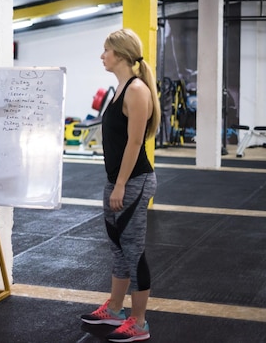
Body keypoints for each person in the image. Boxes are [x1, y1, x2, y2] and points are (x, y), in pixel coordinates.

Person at [80, 28, 160, 342]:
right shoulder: (119, 88)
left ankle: (139, 323)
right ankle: (115, 310)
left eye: (106, 51)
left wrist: (121, 185)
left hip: (134, 180)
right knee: (118, 250)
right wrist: (115, 182)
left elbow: (136, 142)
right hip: (117, 180)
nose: (102, 56)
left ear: (122, 55)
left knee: (134, 252)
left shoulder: (136, 90)